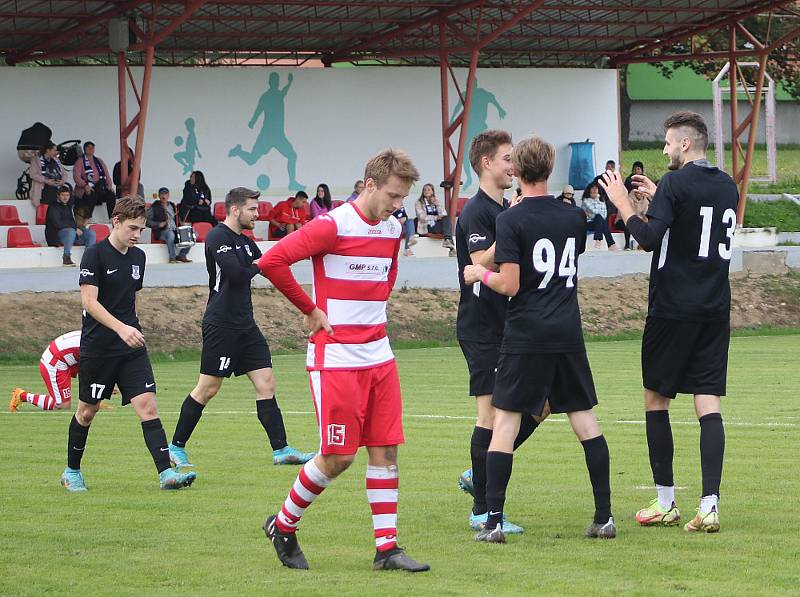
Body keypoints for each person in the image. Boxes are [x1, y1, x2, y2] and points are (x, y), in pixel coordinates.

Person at [258, 149, 429, 573]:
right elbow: (272, 261)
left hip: (380, 356)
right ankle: (284, 524)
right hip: (336, 358)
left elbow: (387, 274)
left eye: (402, 198)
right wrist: (311, 310)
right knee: (338, 456)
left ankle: (387, 549)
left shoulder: (392, 228)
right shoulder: (332, 225)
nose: (396, 205)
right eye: (392, 195)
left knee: (385, 450)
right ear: (369, 184)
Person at [464, 135, 615, 543]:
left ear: (518, 171)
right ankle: (604, 516)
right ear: (549, 169)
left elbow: (511, 284)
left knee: (506, 423)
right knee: (585, 420)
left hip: (527, 332)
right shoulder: (572, 215)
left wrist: (481, 274)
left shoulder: (510, 219)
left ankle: (492, 521)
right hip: (567, 330)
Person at [599, 111, 738, 534]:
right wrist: (661, 198)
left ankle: (666, 502)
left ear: (684, 144)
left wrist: (624, 202)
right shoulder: (726, 184)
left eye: (666, 143)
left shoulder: (677, 183)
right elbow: (696, 223)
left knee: (656, 400)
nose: (662, 150)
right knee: (708, 403)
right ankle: (709, 505)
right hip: (714, 308)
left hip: (673, 309)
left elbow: (648, 239)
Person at [167, 187, 313, 472]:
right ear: (235, 209)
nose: (257, 215)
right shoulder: (217, 236)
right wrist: (259, 265)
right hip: (221, 324)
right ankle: (176, 446)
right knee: (208, 388)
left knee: (266, 383)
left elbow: (267, 265)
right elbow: (235, 275)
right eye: (252, 210)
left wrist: (301, 249)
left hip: (246, 325)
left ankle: (281, 449)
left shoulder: (246, 243)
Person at [61, 195, 196, 492]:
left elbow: (132, 298)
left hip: (130, 347)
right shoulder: (94, 255)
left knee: (148, 405)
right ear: (116, 222)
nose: (137, 235)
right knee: (87, 411)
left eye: (141, 229)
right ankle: (71, 471)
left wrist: (131, 327)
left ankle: (166, 474)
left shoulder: (139, 257)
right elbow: (89, 302)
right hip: (99, 348)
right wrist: (121, 328)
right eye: (133, 228)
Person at [454, 130, 545, 535]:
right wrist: (511, 221)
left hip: (511, 326)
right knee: (490, 415)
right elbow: (478, 264)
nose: (514, 166)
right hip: (481, 328)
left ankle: (483, 472)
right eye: (507, 158)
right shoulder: (476, 212)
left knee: (542, 405)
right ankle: (481, 508)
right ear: (487, 163)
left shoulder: (505, 208)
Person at [228, 71, 305, 191]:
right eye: (274, 81)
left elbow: (285, 91)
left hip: (279, 135)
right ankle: (238, 152)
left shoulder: (279, 94)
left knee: (292, 155)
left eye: (277, 81)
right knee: (252, 160)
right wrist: (252, 121)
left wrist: (290, 83)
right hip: (267, 134)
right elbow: (259, 109)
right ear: (270, 82)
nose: (276, 83)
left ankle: (292, 183)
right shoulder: (266, 96)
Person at [10, 330, 80, 411]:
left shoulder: (91, 337)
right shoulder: (92, 343)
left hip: (61, 360)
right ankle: (21, 396)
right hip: (55, 363)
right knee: (63, 405)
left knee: (62, 401)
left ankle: (21, 395)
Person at [45, 186, 97, 267]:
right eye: (63, 195)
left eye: (67, 195)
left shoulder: (69, 206)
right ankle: (66, 257)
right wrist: (74, 229)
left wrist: (78, 228)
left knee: (91, 233)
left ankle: (89, 259)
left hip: (71, 235)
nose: (65, 197)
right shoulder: (53, 207)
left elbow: (73, 222)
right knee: (70, 231)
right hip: (56, 236)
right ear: (58, 196)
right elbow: (57, 223)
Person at [148, 187, 191, 263]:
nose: (164, 196)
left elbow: (176, 218)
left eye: (165, 194)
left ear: (168, 195)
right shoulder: (154, 207)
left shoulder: (172, 206)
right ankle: (172, 257)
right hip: (162, 231)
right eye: (162, 194)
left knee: (191, 235)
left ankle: (182, 255)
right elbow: (148, 222)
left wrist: (181, 223)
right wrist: (158, 224)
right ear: (159, 196)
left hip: (175, 230)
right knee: (171, 235)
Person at [73, 141, 114, 218]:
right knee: (91, 195)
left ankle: (111, 217)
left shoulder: (99, 161)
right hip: (86, 188)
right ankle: (88, 218)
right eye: (88, 148)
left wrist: (109, 185)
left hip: (100, 188)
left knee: (111, 195)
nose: (90, 149)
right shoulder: (80, 161)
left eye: (92, 148)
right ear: (84, 149)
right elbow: (76, 177)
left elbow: (107, 175)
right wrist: (85, 186)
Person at [415, 183, 455, 251]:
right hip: (427, 226)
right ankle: (450, 243)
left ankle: (447, 240)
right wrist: (436, 218)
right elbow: (422, 217)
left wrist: (437, 205)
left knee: (446, 218)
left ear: (432, 191)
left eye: (428, 190)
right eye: (425, 190)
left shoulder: (436, 202)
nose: (426, 191)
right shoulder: (419, 203)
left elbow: (443, 214)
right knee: (446, 225)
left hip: (436, 225)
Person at [582, 183, 619, 251]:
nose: (594, 190)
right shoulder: (586, 200)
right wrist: (596, 201)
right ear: (589, 190)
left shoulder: (601, 200)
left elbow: (604, 214)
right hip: (588, 223)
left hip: (599, 223)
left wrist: (597, 200)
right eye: (592, 188)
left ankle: (602, 241)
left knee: (601, 219)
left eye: (596, 188)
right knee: (599, 217)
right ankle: (609, 243)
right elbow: (594, 212)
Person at [30, 141, 67, 207]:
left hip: (56, 189)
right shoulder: (36, 160)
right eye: (54, 150)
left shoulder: (56, 160)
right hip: (44, 190)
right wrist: (46, 180)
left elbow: (64, 173)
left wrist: (62, 181)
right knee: (45, 211)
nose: (56, 152)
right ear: (48, 150)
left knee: (55, 210)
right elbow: (33, 174)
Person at [113, 146, 145, 213]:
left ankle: (141, 207)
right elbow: (115, 180)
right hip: (121, 187)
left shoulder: (135, 165)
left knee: (140, 186)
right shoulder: (118, 165)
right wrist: (124, 184)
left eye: (127, 154)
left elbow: (138, 178)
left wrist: (129, 182)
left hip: (133, 186)